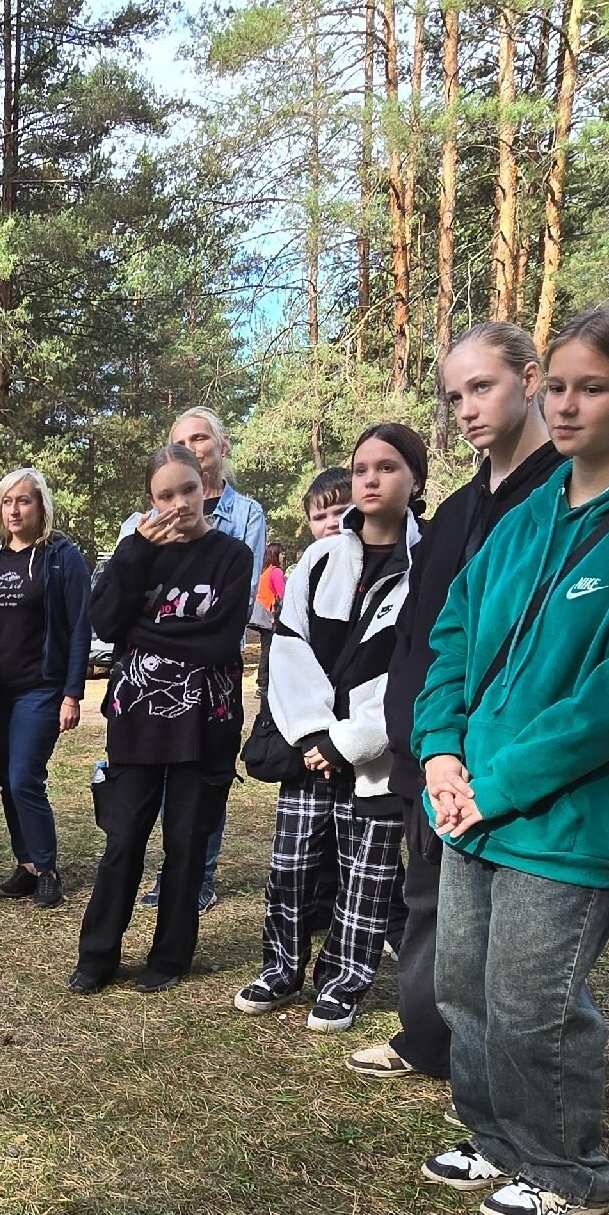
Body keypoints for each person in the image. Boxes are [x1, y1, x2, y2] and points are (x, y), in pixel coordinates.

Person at [412, 299, 609, 1215]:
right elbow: (455, 639)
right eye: (556, 385)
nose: (567, 405)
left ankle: (565, 1165)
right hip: (470, 800)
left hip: (571, 813)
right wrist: (439, 754)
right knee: (462, 982)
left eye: (594, 387)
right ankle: (496, 1134)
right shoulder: (524, 518)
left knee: (531, 999)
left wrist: (495, 786)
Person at [348, 323, 564, 1083]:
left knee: (511, 931)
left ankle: (503, 1071)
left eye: (482, 387)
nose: (466, 409)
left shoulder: (565, 492)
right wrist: (418, 737)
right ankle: (425, 1040)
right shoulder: (459, 510)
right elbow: (424, 633)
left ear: (531, 380)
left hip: (508, 751)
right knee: (429, 902)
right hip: (431, 745)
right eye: (454, 396)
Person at [236, 436, 419, 1031]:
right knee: (291, 865)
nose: (371, 480)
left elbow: (414, 670)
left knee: (366, 875)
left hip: (375, 756)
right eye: (362, 468)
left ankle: (345, 978)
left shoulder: (428, 567)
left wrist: (349, 742)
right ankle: (281, 967)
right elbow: (288, 652)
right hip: (308, 751)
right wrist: (316, 737)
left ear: (413, 479)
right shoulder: (316, 563)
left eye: (387, 468)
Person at [70, 443, 255, 994]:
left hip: (205, 723)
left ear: (205, 487)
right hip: (136, 719)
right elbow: (104, 623)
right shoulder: (137, 551)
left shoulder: (231, 555)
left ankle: (170, 957)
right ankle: (97, 955)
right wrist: (131, 559)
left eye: (189, 490)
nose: (179, 504)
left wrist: (140, 634)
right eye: (165, 496)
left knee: (186, 843)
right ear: (150, 502)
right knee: (123, 838)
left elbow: (222, 640)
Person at [123, 406, 268, 915]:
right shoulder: (139, 526)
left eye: (202, 437)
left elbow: (233, 607)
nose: (194, 446)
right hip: (149, 693)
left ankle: (196, 878)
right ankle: (166, 877)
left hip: (211, 687)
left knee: (204, 792)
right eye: (182, 439)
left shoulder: (245, 516)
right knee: (156, 791)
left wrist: (150, 630)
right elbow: (114, 606)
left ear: (221, 446)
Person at [0, 466, 91, 909]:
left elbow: (80, 626)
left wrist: (72, 692)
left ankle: (47, 868)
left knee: (25, 778)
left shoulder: (62, 556)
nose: (15, 508)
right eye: (7, 501)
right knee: (7, 781)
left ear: (42, 506)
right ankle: (25, 865)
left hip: (40, 688)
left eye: (24, 500)